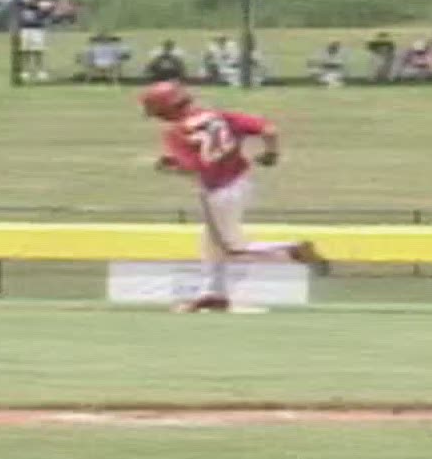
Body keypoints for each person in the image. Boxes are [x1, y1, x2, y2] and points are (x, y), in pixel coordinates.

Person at [138, 81, 328, 313]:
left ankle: (291, 251)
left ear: (164, 109)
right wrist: (271, 153)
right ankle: (213, 294)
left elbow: (192, 168)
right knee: (210, 242)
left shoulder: (176, 132)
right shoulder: (218, 116)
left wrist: (168, 166)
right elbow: (269, 130)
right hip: (241, 181)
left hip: (217, 192)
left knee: (232, 249)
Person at [18, 0, 51, 83]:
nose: (31, 1)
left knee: (38, 51)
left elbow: (45, 16)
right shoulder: (22, 8)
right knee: (26, 51)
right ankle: (25, 71)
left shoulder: (39, 9)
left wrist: (44, 9)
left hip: (37, 31)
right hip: (25, 30)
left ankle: (40, 71)